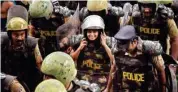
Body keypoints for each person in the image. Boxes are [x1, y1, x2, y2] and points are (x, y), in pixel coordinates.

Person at [112, 25, 166, 92]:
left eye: (125, 44)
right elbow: (116, 72)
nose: (123, 48)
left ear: (134, 42)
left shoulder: (149, 50)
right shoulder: (118, 51)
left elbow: (161, 70)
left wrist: (163, 88)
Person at [70, 15, 115, 92]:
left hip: (101, 79)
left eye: (95, 31)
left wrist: (105, 45)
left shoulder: (108, 43)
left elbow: (114, 61)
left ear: (100, 32)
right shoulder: (80, 42)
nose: (91, 34)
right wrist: (79, 48)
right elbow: (71, 59)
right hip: (82, 79)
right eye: (89, 31)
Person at [1, 17, 43, 91]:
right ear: (10, 34)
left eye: (22, 34)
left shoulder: (32, 43)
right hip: (7, 76)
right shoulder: (2, 41)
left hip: (28, 77)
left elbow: (39, 63)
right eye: (16, 35)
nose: (19, 38)